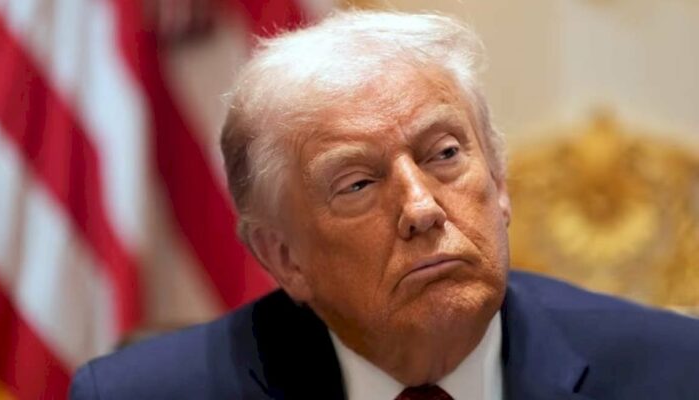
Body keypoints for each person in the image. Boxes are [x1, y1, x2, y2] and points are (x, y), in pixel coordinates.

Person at [70, 10, 699, 400]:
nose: (422, 208)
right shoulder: (139, 395)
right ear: (283, 256)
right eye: (357, 185)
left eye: (445, 154)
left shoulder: (676, 372)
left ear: (499, 181)